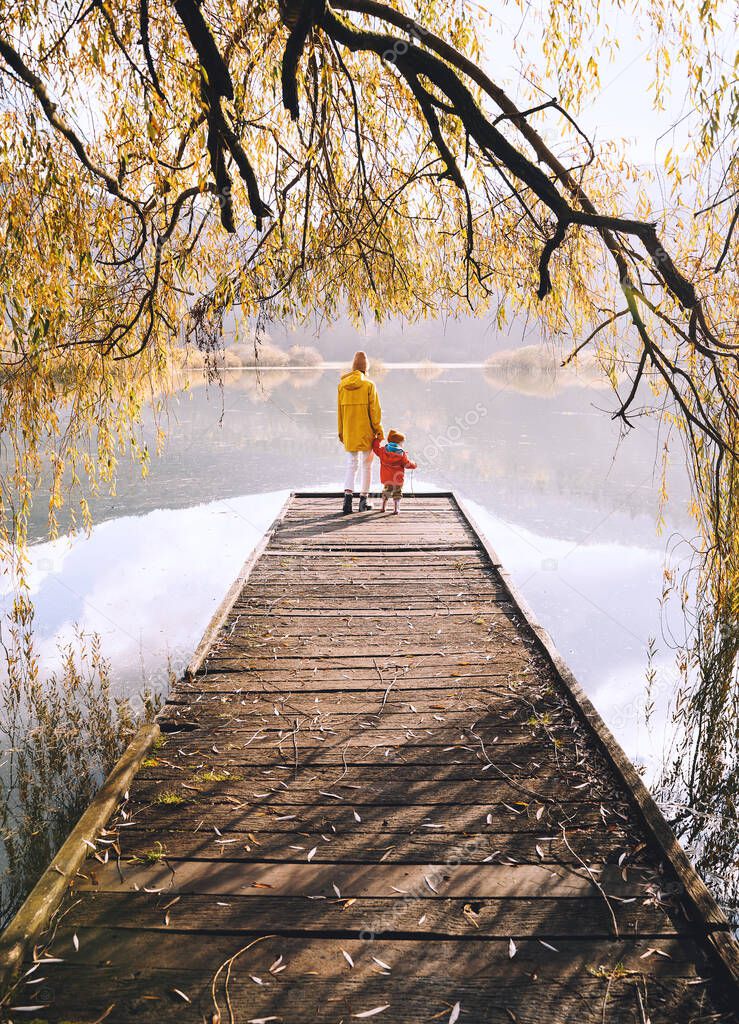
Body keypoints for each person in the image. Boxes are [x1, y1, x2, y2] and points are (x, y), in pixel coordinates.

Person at [338, 351, 383, 514]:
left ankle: (347, 503)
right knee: (367, 466)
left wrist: (341, 432)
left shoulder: (342, 385)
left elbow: (339, 412)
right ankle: (363, 501)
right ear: (366, 368)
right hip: (366, 432)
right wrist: (379, 431)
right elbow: (375, 411)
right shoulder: (369, 385)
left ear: (353, 367)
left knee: (351, 464)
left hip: (349, 431)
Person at [372, 429, 417, 515]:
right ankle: (396, 509)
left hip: (386, 478)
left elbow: (375, 448)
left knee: (386, 492)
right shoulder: (402, 454)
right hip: (398, 479)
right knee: (397, 493)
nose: (402, 444)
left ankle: (383, 507)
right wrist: (414, 465)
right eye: (401, 442)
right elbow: (407, 464)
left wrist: (377, 439)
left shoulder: (382, 451)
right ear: (398, 442)